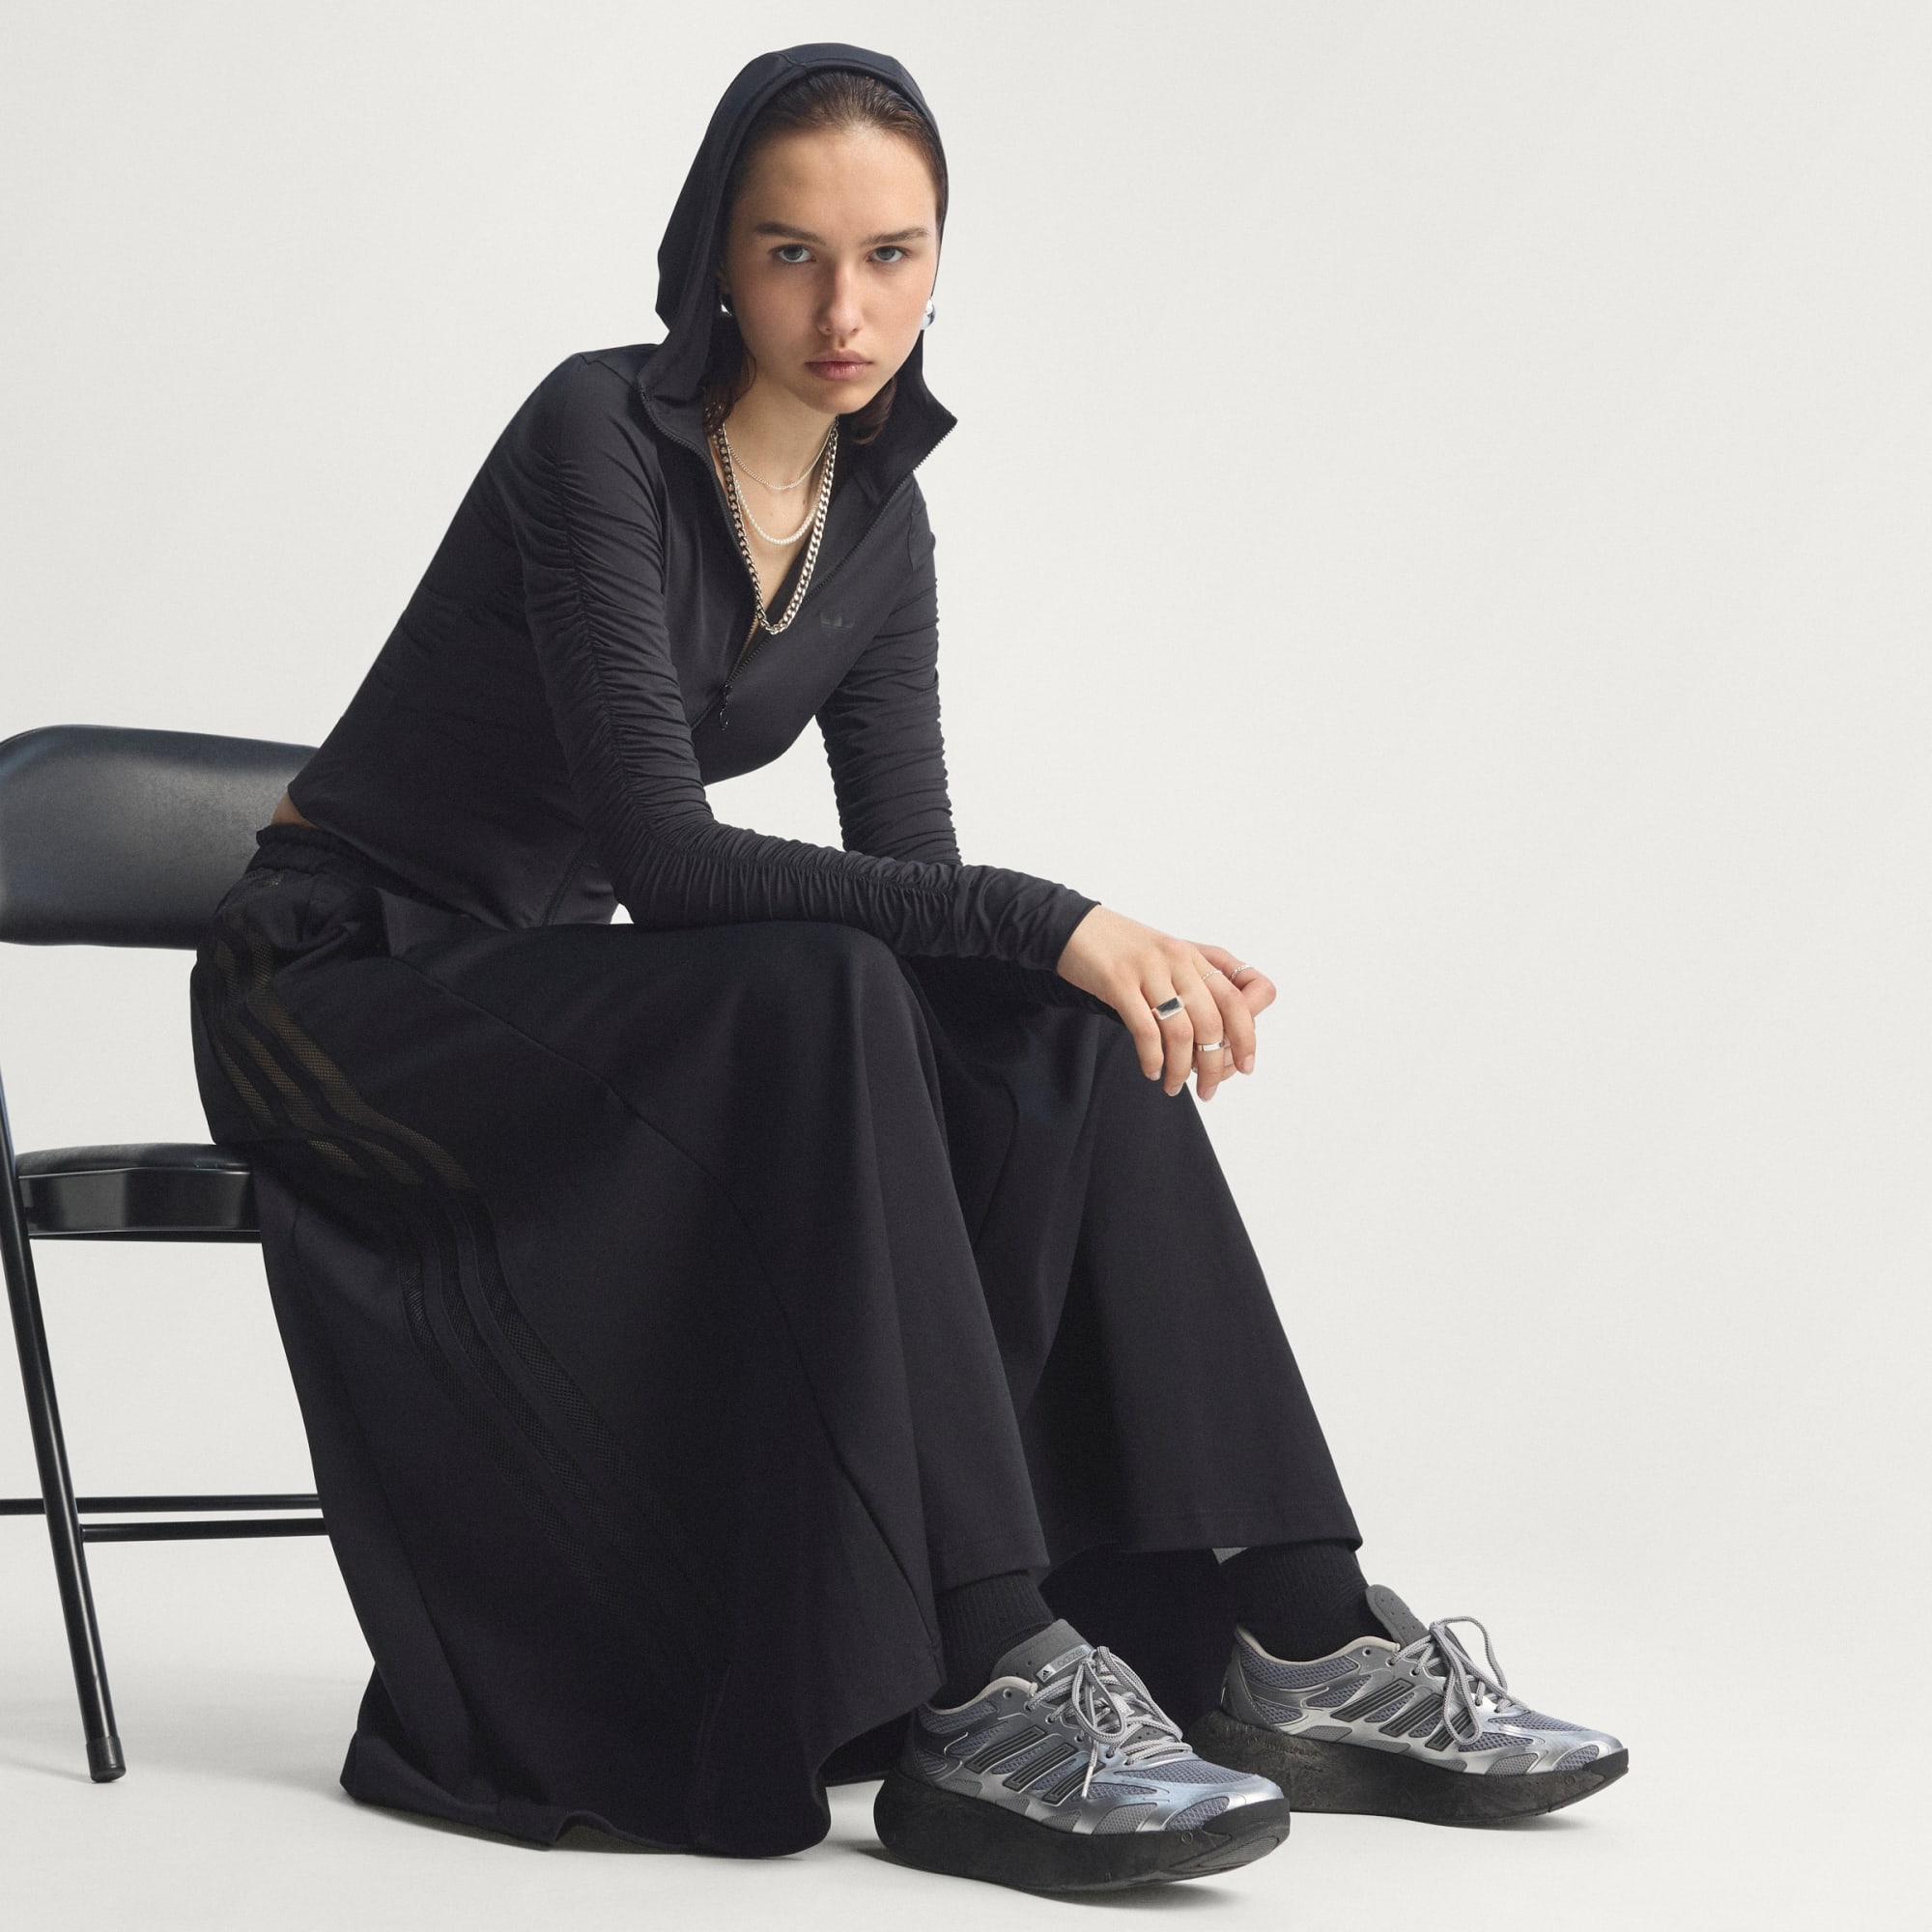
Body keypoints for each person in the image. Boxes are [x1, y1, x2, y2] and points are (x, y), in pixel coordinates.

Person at [188, 41, 1627, 1895]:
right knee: (838, 982)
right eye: (790, 254)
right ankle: (985, 1667)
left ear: (941, 261)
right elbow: (667, 862)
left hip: (544, 994)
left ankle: (1297, 1627)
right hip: (340, 997)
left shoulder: (882, 520)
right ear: (716, 258)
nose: (844, 309)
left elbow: (917, 886)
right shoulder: (593, 435)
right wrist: (1064, 912)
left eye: (891, 256)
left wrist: (1068, 969)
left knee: (1049, 1029)